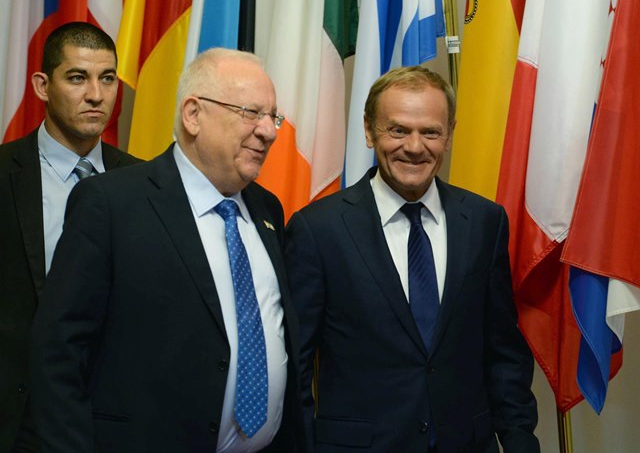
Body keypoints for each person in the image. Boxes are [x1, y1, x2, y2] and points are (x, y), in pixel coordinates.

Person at [30, 48, 302, 452]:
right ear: (193, 114)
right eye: (251, 113)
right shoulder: (112, 203)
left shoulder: (268, 210)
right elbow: (58, 354)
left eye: (272, 116)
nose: (270, 131)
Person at [285, 65, 540, 452]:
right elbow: (296, 368)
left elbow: (504, 353)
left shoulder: (484, 223)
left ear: (450, 134)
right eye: (399, 130)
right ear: (369, 131)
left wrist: (520, 442)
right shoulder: (319, 230)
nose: (415, 147)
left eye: (431, 132)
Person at [0, 21, 139, 453]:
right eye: (77, 78)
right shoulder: (4, 172)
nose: (96, 95)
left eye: (108, 78)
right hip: (14, 420)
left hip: (113, 421)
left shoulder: (145, 182)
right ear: (42, 86)